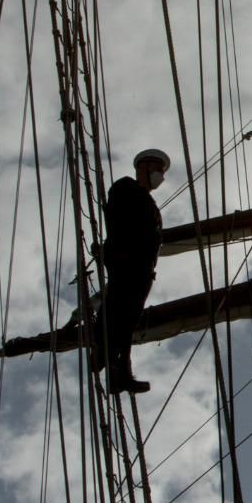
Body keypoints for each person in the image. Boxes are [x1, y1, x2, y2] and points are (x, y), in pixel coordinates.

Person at [94, 148, 168, 396]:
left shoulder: (152, 206)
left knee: (128, 321)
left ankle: (120, 374)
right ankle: (101, 352)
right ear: (143, 168)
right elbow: (116, 220)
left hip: (143, 268)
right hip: (127, 259)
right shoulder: (125, 188)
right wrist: (117, 251)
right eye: (157, 169)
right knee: (117, 308)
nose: (160, 175)